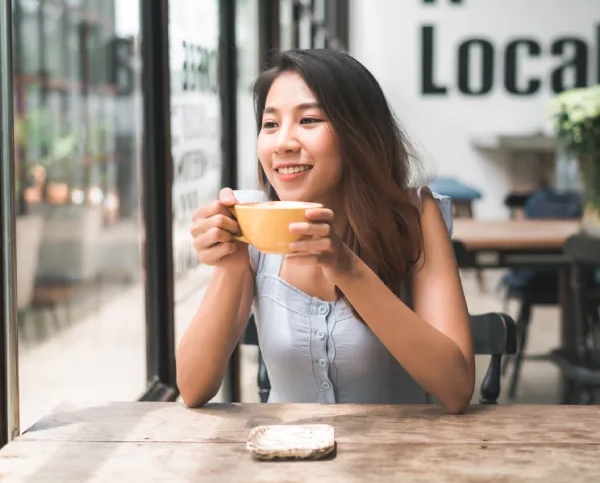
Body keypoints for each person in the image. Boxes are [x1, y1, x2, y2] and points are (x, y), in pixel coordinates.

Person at [176, 49, 475, 414]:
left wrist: (347, 270)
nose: (283, 143)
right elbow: (192, 389)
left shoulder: (413, 218)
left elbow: (456, 389)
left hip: (397, 460)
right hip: (285, 460)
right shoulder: (251, 220)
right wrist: (231, 266)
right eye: (270, 125)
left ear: (357, 134)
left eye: (309, 120)